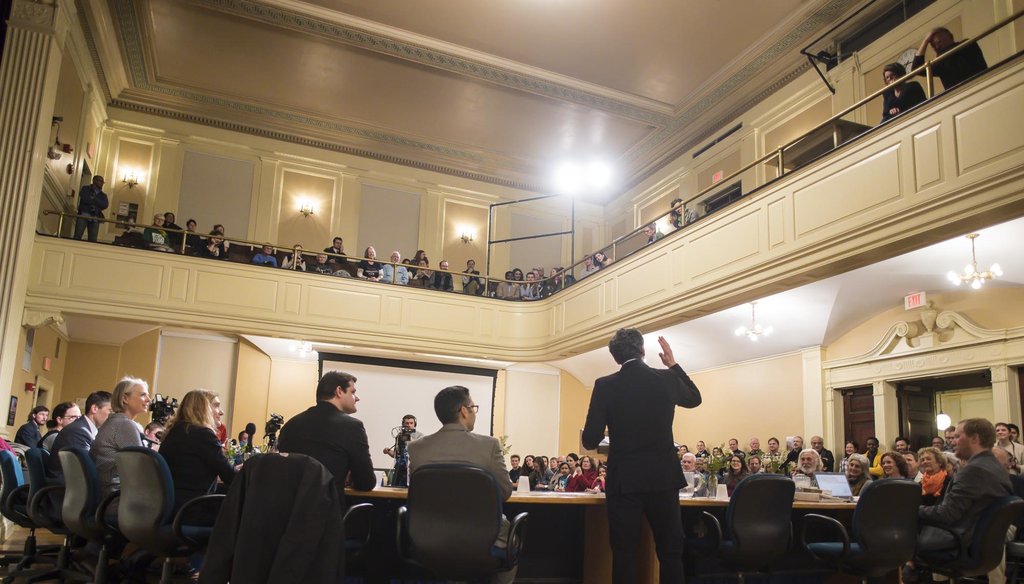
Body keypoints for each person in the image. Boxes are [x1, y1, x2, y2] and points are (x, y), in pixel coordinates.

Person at [582, 329, 702, 584]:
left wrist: (613, 423)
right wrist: (673, 365)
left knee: (624, 553)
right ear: (643, 350)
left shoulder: (605, 385)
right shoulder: (667, 379)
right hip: (663, 478)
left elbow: (589, 440)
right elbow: (694, 399)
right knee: (670, 552)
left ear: (615, 357)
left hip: (625, 480)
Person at [407, 385, 515, 584]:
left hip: (429, 534)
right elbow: (505, 492)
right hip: (482, 535)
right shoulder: (489, 445)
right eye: (474, 407)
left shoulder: (416, 447)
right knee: (511, 537)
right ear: (464, 411)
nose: (474, 412)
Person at [277, 371, 376, 503]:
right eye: (352, 392)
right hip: (326, 515)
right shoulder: (352, 427)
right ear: (339, 391)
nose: (357, 398)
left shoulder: (290, 425)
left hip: (287, 514)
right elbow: (366, 483)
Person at [916, 419, 1012, 554]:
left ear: (974, 438)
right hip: (983, 541)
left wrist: (911, 509)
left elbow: (947, 514)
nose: (952, 442)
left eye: (957, 436)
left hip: (960, 543)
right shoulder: (996, 467)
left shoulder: (973, 471)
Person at [159, 389, 236, 513]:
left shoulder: (173, 432)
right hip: (192, 509)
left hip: (172, 507)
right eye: (216, 406)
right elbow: (231, 477)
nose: (221, 412)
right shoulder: (203, 435)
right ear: (203, 408)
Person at [91, 376, 150, 496]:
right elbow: (142, 468)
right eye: (143, 395)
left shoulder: (113, 421)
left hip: (108, 493)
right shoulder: (124, 424)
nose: (148, 399)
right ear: (125, 398)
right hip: (117, 497)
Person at [47, 391, 112, 480]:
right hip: (66, 489)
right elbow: (88, 468)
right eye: (110, 410)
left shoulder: (84, 429)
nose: (112, 416)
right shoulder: (78, 431)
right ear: (94, 408)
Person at [912, 27, 987, 91]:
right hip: (957, 96)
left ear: (950, 37)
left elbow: (952, 56)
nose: (937, 47)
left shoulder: (966, 46)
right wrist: (925, 41)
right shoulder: (940, 62)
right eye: (933, 45)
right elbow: (916, 69)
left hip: (979, 85)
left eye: (939, 42)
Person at [383, 414, 424, 487]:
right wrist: (388, 451)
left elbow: (419, 451)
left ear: (415, 424)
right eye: (407, 423)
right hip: (399, 468)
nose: (409, 425)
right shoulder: (400, 436)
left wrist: (409, 437)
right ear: (403, 424)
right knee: (395, 488)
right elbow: (396, 455)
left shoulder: (420, 436)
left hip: (412, 469)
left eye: (411, 423)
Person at [73, 175, 109, 242]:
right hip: (84, 214)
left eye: (103, 182)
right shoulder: (86, 188)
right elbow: (84, 199)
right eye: (100, 181)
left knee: (93, 239)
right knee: (78, 235)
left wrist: (94, 198)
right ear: (94, 180)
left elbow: (105, 205)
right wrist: (97, 203)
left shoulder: (103, 195)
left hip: (95, 217)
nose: (102, 183)